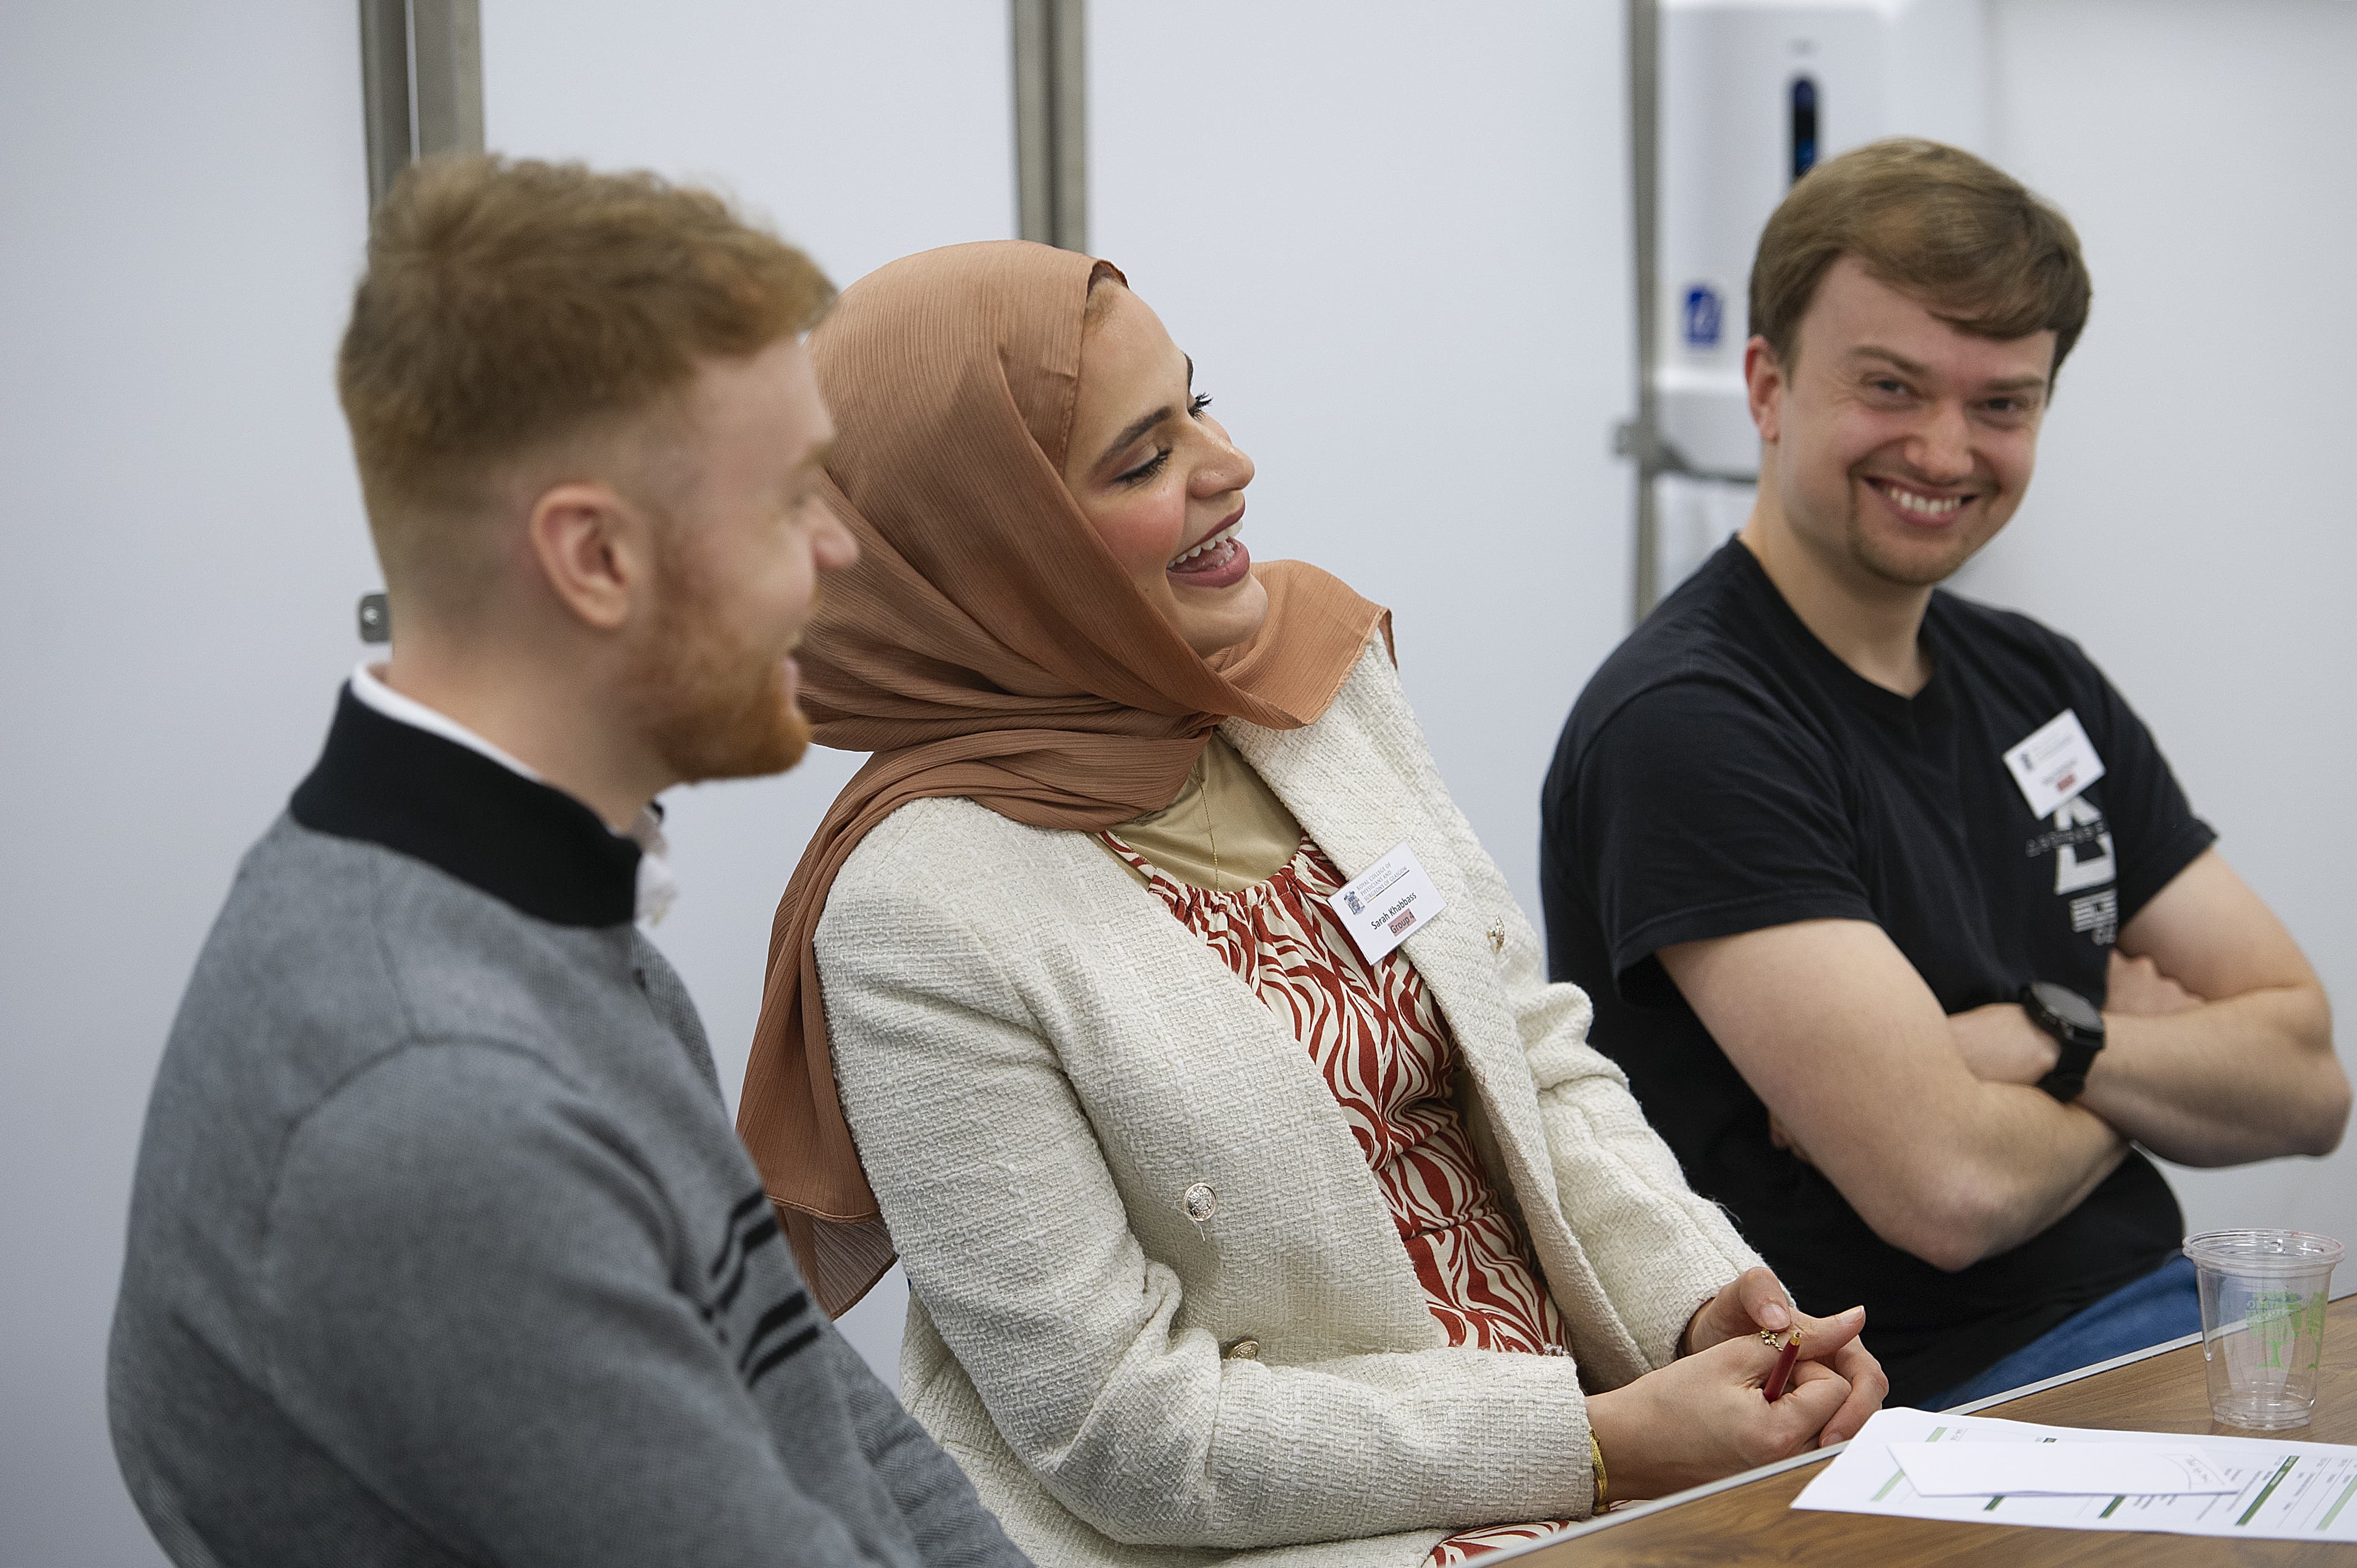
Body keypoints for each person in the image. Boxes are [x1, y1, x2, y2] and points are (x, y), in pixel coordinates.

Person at [734, 241, 1887, 1568]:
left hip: (1607, 1466)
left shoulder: (1304, 689)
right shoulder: (914, 910)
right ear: (996, 549)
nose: (1231, 469)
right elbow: (1125, 1434)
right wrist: (1593, 1441)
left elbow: (1534, 1062)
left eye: (1197, 404)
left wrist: (1711, 1310)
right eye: (1142, 460)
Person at [107, 156, 1028, 1567]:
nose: (842, 550)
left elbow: (827, 1422)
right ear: (595, 558)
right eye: (792, 502)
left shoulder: (545, 921)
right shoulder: (434, 1100)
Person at [1540, 138, 2349, 1411]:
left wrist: (2035, 1041)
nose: (1944, 449)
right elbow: (1946, 1190)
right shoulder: (1691, 724)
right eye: (1891, 386)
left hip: (2160, 1330)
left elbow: (2307, 1083)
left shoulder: (2039, 682)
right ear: (1766, 386)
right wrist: (2134, 1043)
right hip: (1918, 1411)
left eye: (2000, 404)